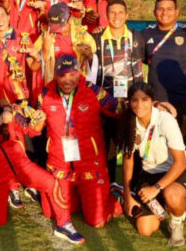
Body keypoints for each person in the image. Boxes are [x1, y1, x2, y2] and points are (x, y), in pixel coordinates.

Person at [0, 79, 84, 243]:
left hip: (22, 167)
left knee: (51, 183)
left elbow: (32, 130)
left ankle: (64, 224)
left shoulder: (10, 110)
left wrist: (37, 118)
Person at [36, 55, 123, 233]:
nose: (67, 80)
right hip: (60, 163)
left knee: (97, 221)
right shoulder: (45, 93)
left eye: (72, 74)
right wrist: (14, 114)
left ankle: (115, 194)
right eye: (62, 75)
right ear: (55, 75)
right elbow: (34, 127)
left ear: (79, 72)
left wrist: (148, 106)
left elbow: (118, 109)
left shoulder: (94, 91)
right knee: (51, 212)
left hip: (90, 163)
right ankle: (81, 196)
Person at [118, 83, 186, 246]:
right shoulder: (128, 121)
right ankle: (167, 204)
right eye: (134, 100)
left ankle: (176, 220)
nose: (139, 105)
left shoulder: (165, 120)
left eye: (145, 99)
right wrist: (126, 194)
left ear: (153, 101)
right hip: (150, 173)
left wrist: (155, 189)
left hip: (178, 170)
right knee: (145, 230)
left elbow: (180, 162)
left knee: (172, 195)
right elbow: (128, 160)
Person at [92, 0, 144, 183]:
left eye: (120, 12)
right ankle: (111, 183)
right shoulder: (96, 37)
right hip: (105, 101)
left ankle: (135, 185)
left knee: (134, 143)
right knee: (109, 145)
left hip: (132, 100)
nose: (116, 16)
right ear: (106, 15)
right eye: (112, 12)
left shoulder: (137, 37)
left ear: (127, 15)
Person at [139, 0, 186, 120]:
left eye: (169, 9)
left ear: (177, 12)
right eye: (160, 9)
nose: (164, 12)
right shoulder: (144, 34)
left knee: (183, 138)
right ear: (154, 12)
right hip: (157, 101)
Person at [0, 4, 42, 106]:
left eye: (3, 15)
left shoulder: (21, 37)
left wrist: (37, 58)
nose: (0, 19)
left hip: (19, 94)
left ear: (8, 17)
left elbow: (33, 67)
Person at [38, 2, 96, 85]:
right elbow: (34, 66)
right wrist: (45, 50)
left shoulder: (82, 35)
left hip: (78, 85)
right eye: (55, 26)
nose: (59, 30)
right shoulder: (47, 35)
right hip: (54, 86)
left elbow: (95, 64)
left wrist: (90, 56)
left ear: (70, 20)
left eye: (61, 26)